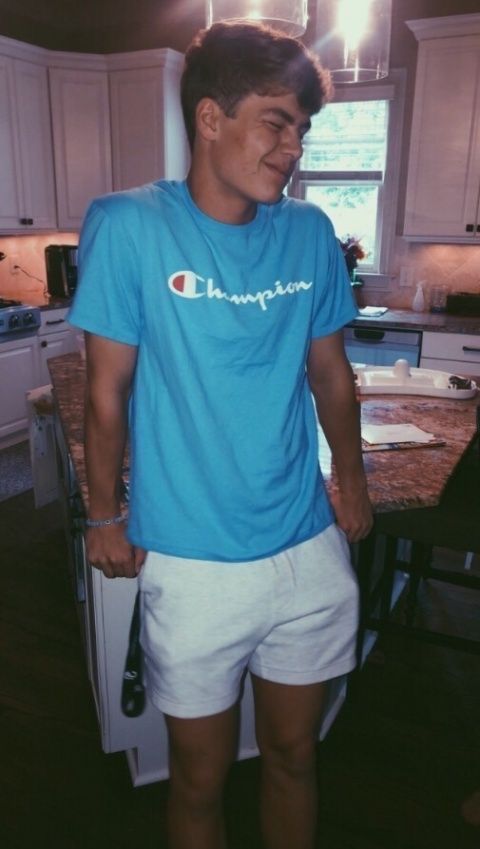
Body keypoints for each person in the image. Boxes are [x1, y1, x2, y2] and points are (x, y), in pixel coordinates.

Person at [68, 20, 373, 849]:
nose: (293, 148)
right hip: (193, 562)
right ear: (210, 118)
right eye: (277, 121)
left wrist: (350, 476)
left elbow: (331, 375)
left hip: (305, 549)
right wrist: (103, 515)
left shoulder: (308, 234)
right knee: (197, 781)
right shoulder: (129, 226)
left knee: (293, 757)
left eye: (302, 130)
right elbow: (107, 391)